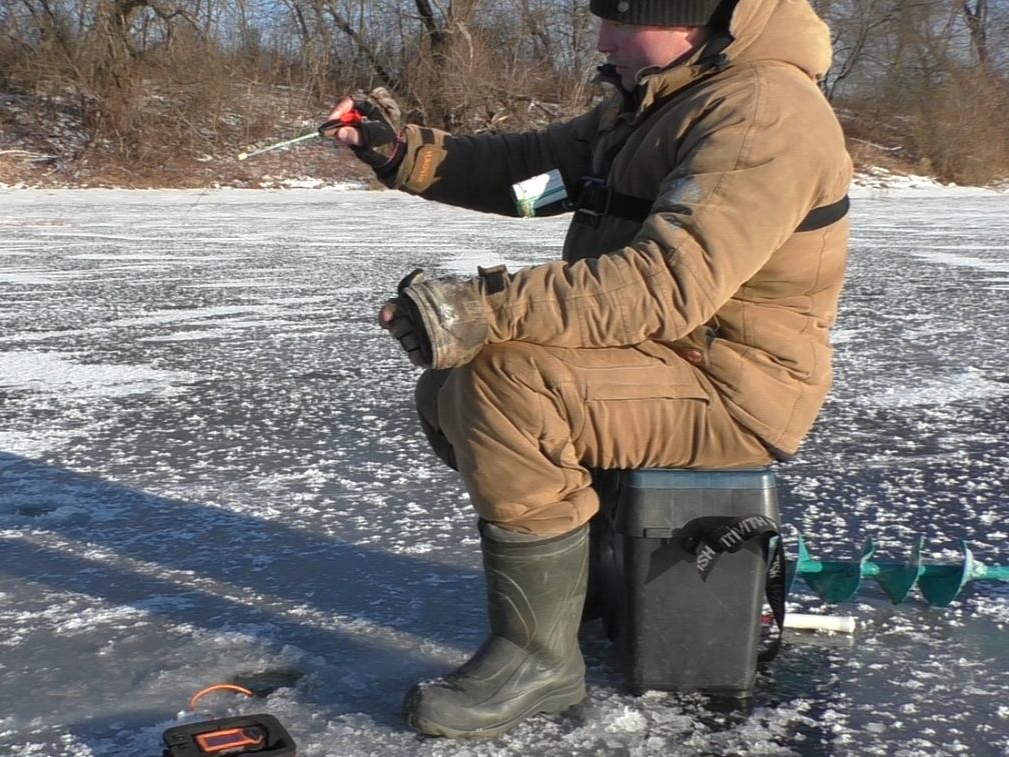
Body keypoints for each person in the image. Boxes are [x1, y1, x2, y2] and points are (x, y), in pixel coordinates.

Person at [320, 0, 851, 740]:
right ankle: (598, 578)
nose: (602, 39)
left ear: (697, 21)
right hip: (665, 358)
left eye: (621, 20)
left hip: (733, 384)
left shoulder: (763, 112)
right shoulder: (659, 100)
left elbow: (667, 282)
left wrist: (483, 309)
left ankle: (540, 658)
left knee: (501, 383)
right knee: (451, 388)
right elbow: (530, 174)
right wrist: (403, 152)